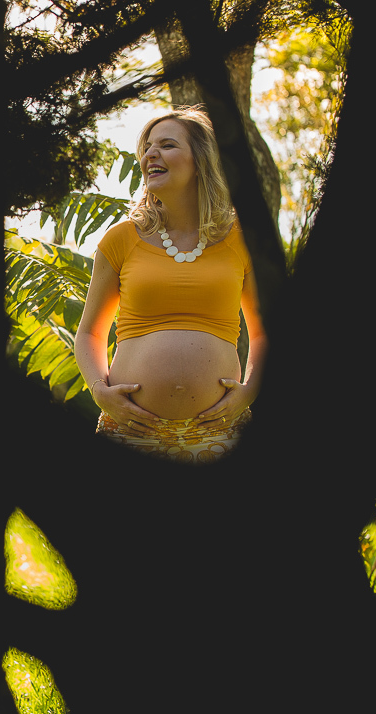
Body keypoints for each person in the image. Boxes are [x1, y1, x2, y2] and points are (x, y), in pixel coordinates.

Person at [74, 107, 267, 463]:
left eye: (166, 144)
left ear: (201, 160)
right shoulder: (121, 239)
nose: (150, 154)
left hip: (220, 432)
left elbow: (264, 332)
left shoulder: (242, 241)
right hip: (131, 432)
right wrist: (100, 392)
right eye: (147, 147)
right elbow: (89, 333)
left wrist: (250, 392)